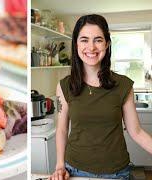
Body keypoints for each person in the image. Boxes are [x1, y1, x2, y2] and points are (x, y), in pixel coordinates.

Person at [50, 14, 152, 180]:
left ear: (107, 44)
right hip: (74, 170)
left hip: (116, 173)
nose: (91, 47)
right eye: (84, 40)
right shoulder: (64, 86)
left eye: (98, 40)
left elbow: (137, 132)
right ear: (76, 44)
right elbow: (61, 129)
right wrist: (60, 164)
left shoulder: (124, 85)